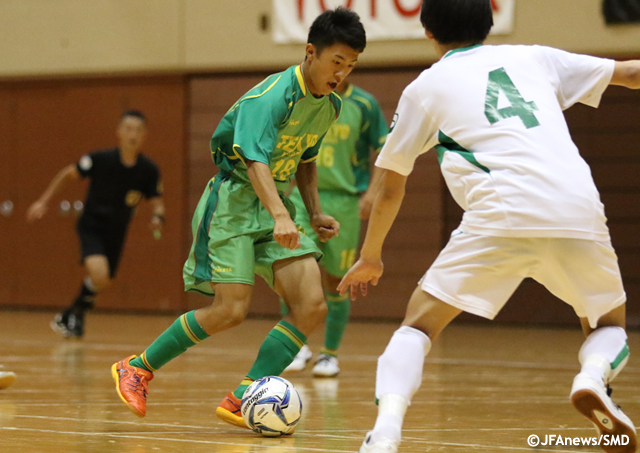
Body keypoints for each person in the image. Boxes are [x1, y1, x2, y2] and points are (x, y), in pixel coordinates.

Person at [338, 1, 640, 452]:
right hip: (577, 207)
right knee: (605, 322)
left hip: (500, 212)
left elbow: (389, 188)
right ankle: (593, 376)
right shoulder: (533, 56)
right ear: (489, 22)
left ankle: (384, 433)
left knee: (418, 327)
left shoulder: (424, 88)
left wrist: (370, 255)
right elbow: (631, 73)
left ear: (426, 30)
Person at [111, 8, 366, 427]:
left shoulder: (329, 106)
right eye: (336, 62)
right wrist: (281, 214)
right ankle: (138, 367)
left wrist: (314, 211)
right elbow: (253, 158)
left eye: (351, 66)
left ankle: (245, 393)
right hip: (235, 202)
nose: (342, 73)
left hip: (280, 201)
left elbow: (305, 158)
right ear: (310, 53)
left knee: (312, 304)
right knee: (230, 310)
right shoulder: (271, 96)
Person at [27, 110, 165, 339]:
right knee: (99, 274)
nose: (133, 134)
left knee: (105, 281)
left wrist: (157, 218)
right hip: (92, 225)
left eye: (138, 130)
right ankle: (73, 316)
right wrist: (43, 201)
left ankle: (71, 315)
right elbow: (67, 174)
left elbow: (157, 202)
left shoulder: (148, 170)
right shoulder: (99, 160)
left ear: (144, 135)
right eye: (128, 129)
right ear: (119, 132)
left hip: (117, 231)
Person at [283, 79, 388, 377]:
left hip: (344, 200)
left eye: (347, 63)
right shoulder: (303, 100)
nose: (339, 71)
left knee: (336, 279)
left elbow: (383, 150)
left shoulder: (364, 105)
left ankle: (329, 354)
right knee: (291, 269)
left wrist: (372, 193)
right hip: (303, 198)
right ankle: (296, 345)